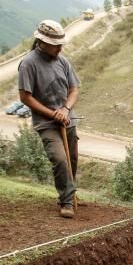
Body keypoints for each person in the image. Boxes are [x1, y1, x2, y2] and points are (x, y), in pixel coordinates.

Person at [18, 19, 81, 219]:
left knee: (72, 159)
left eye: (61, 44)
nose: (60, 48)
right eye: (56, 45)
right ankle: (66, 201)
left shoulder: (63, 61)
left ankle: (70, 192)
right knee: (60, 160)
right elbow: (25, 97)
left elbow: (74, 89)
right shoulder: (28, 63)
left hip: (67, 119)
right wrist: (52, 113)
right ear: (42, 42)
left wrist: (65, 109)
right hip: (46, 123)